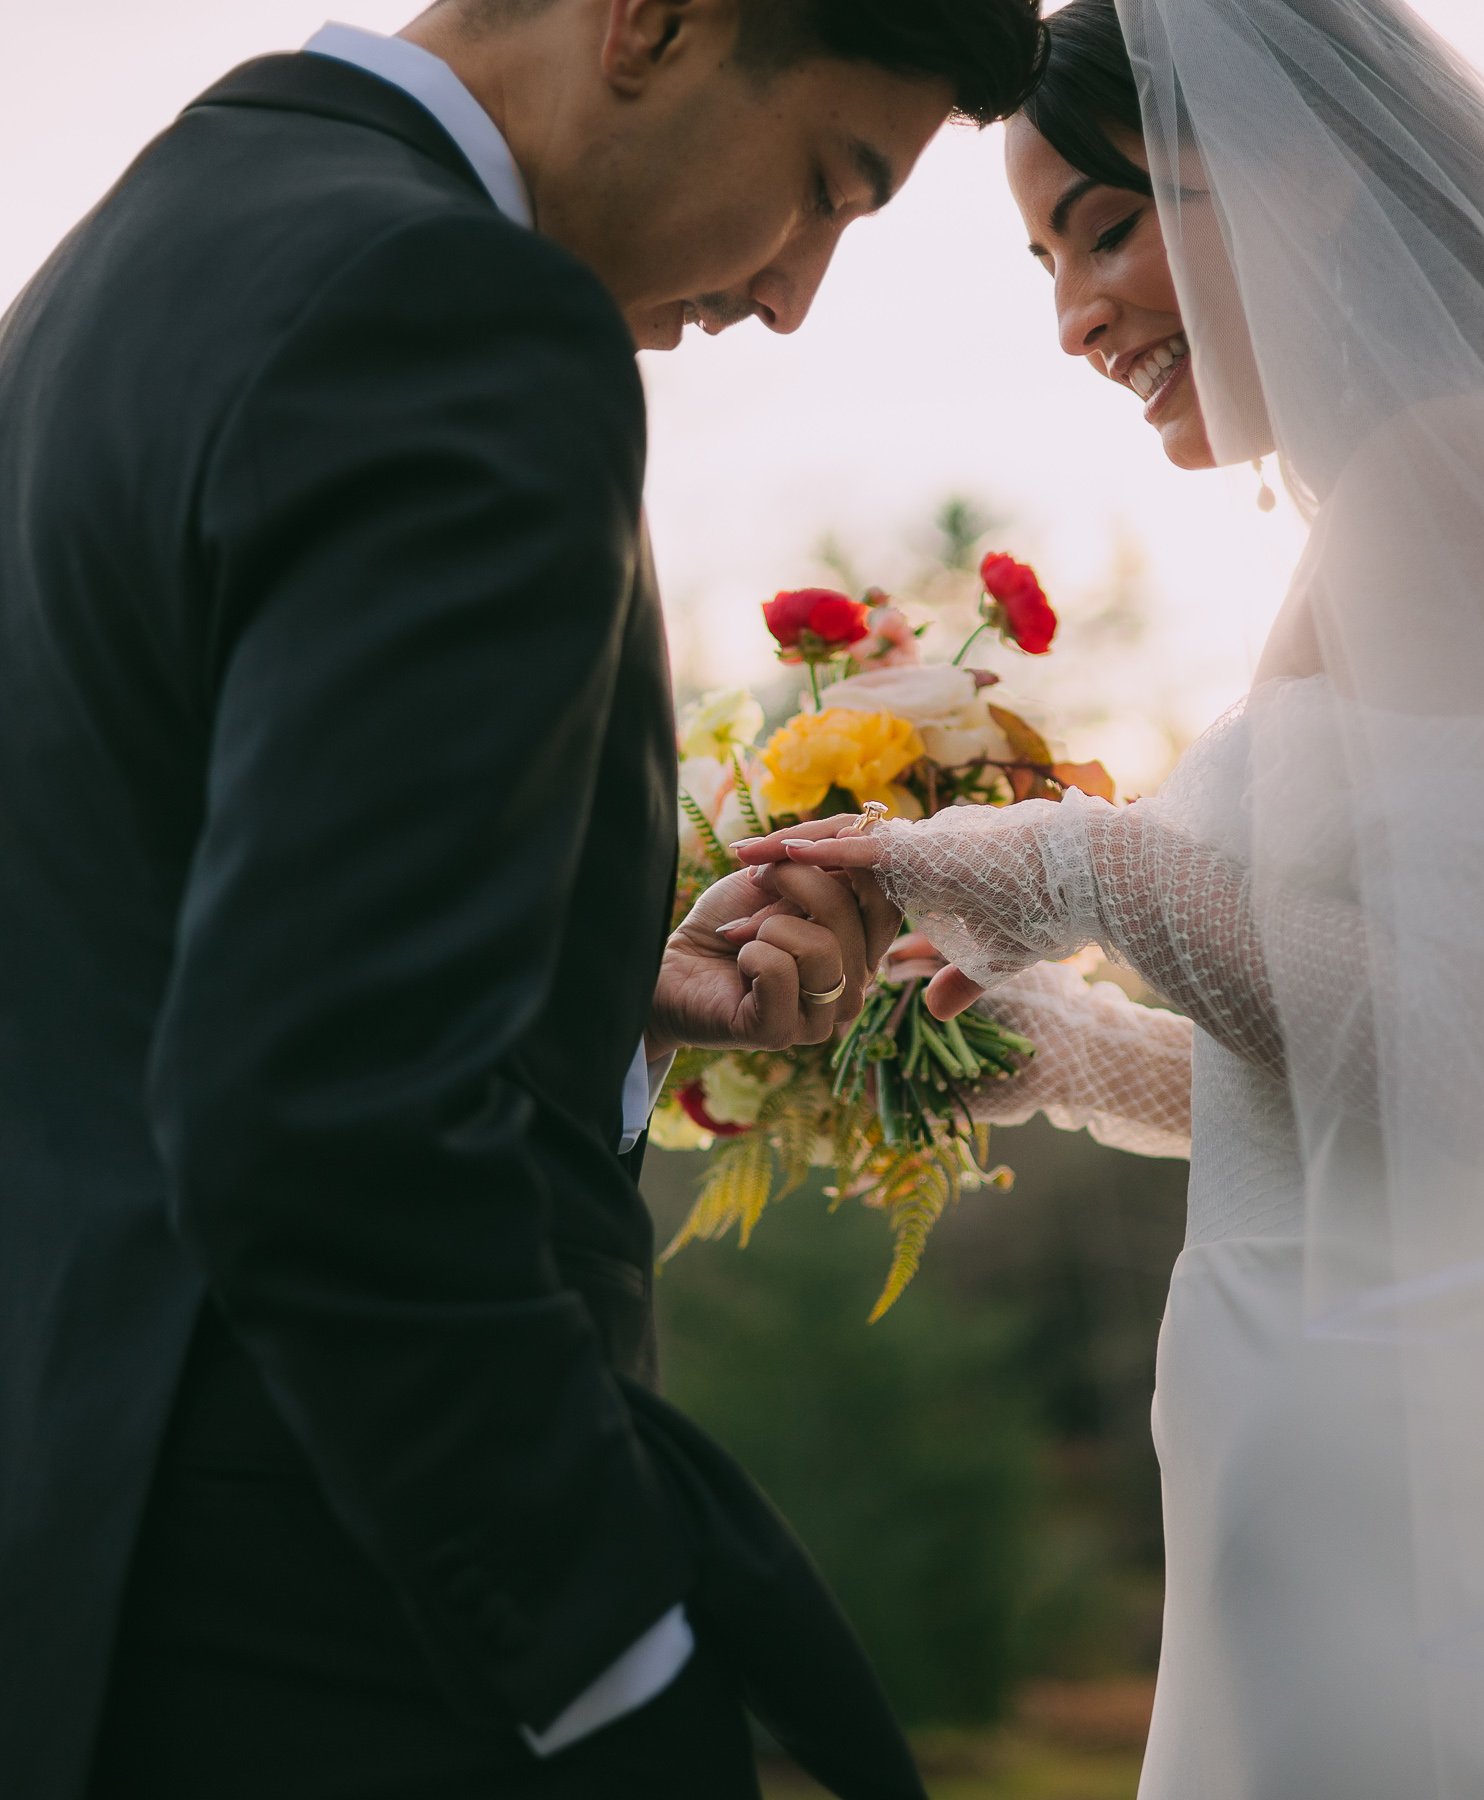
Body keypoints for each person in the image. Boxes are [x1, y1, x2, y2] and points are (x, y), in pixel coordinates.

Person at [739, 0, 1484, 1792]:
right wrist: (1065, 1053)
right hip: (1343, 1493)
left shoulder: (1478, 471)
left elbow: (1483, 1074)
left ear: (1308, 181)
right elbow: (1364, 1112)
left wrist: (1059, 864)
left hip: (1455, 1534)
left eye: (1107, 226)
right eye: (1045, 262)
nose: (1075, 319)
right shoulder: (1424, 493)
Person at [0, 2, 1045, 1796]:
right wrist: (610, 1664)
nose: (794, 292)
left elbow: (147, 954)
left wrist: (596, 995)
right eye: (823, 188)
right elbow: (317, 1125)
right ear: (658, 19)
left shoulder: (115, 272)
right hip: (321, 1614)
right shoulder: (457, 312)